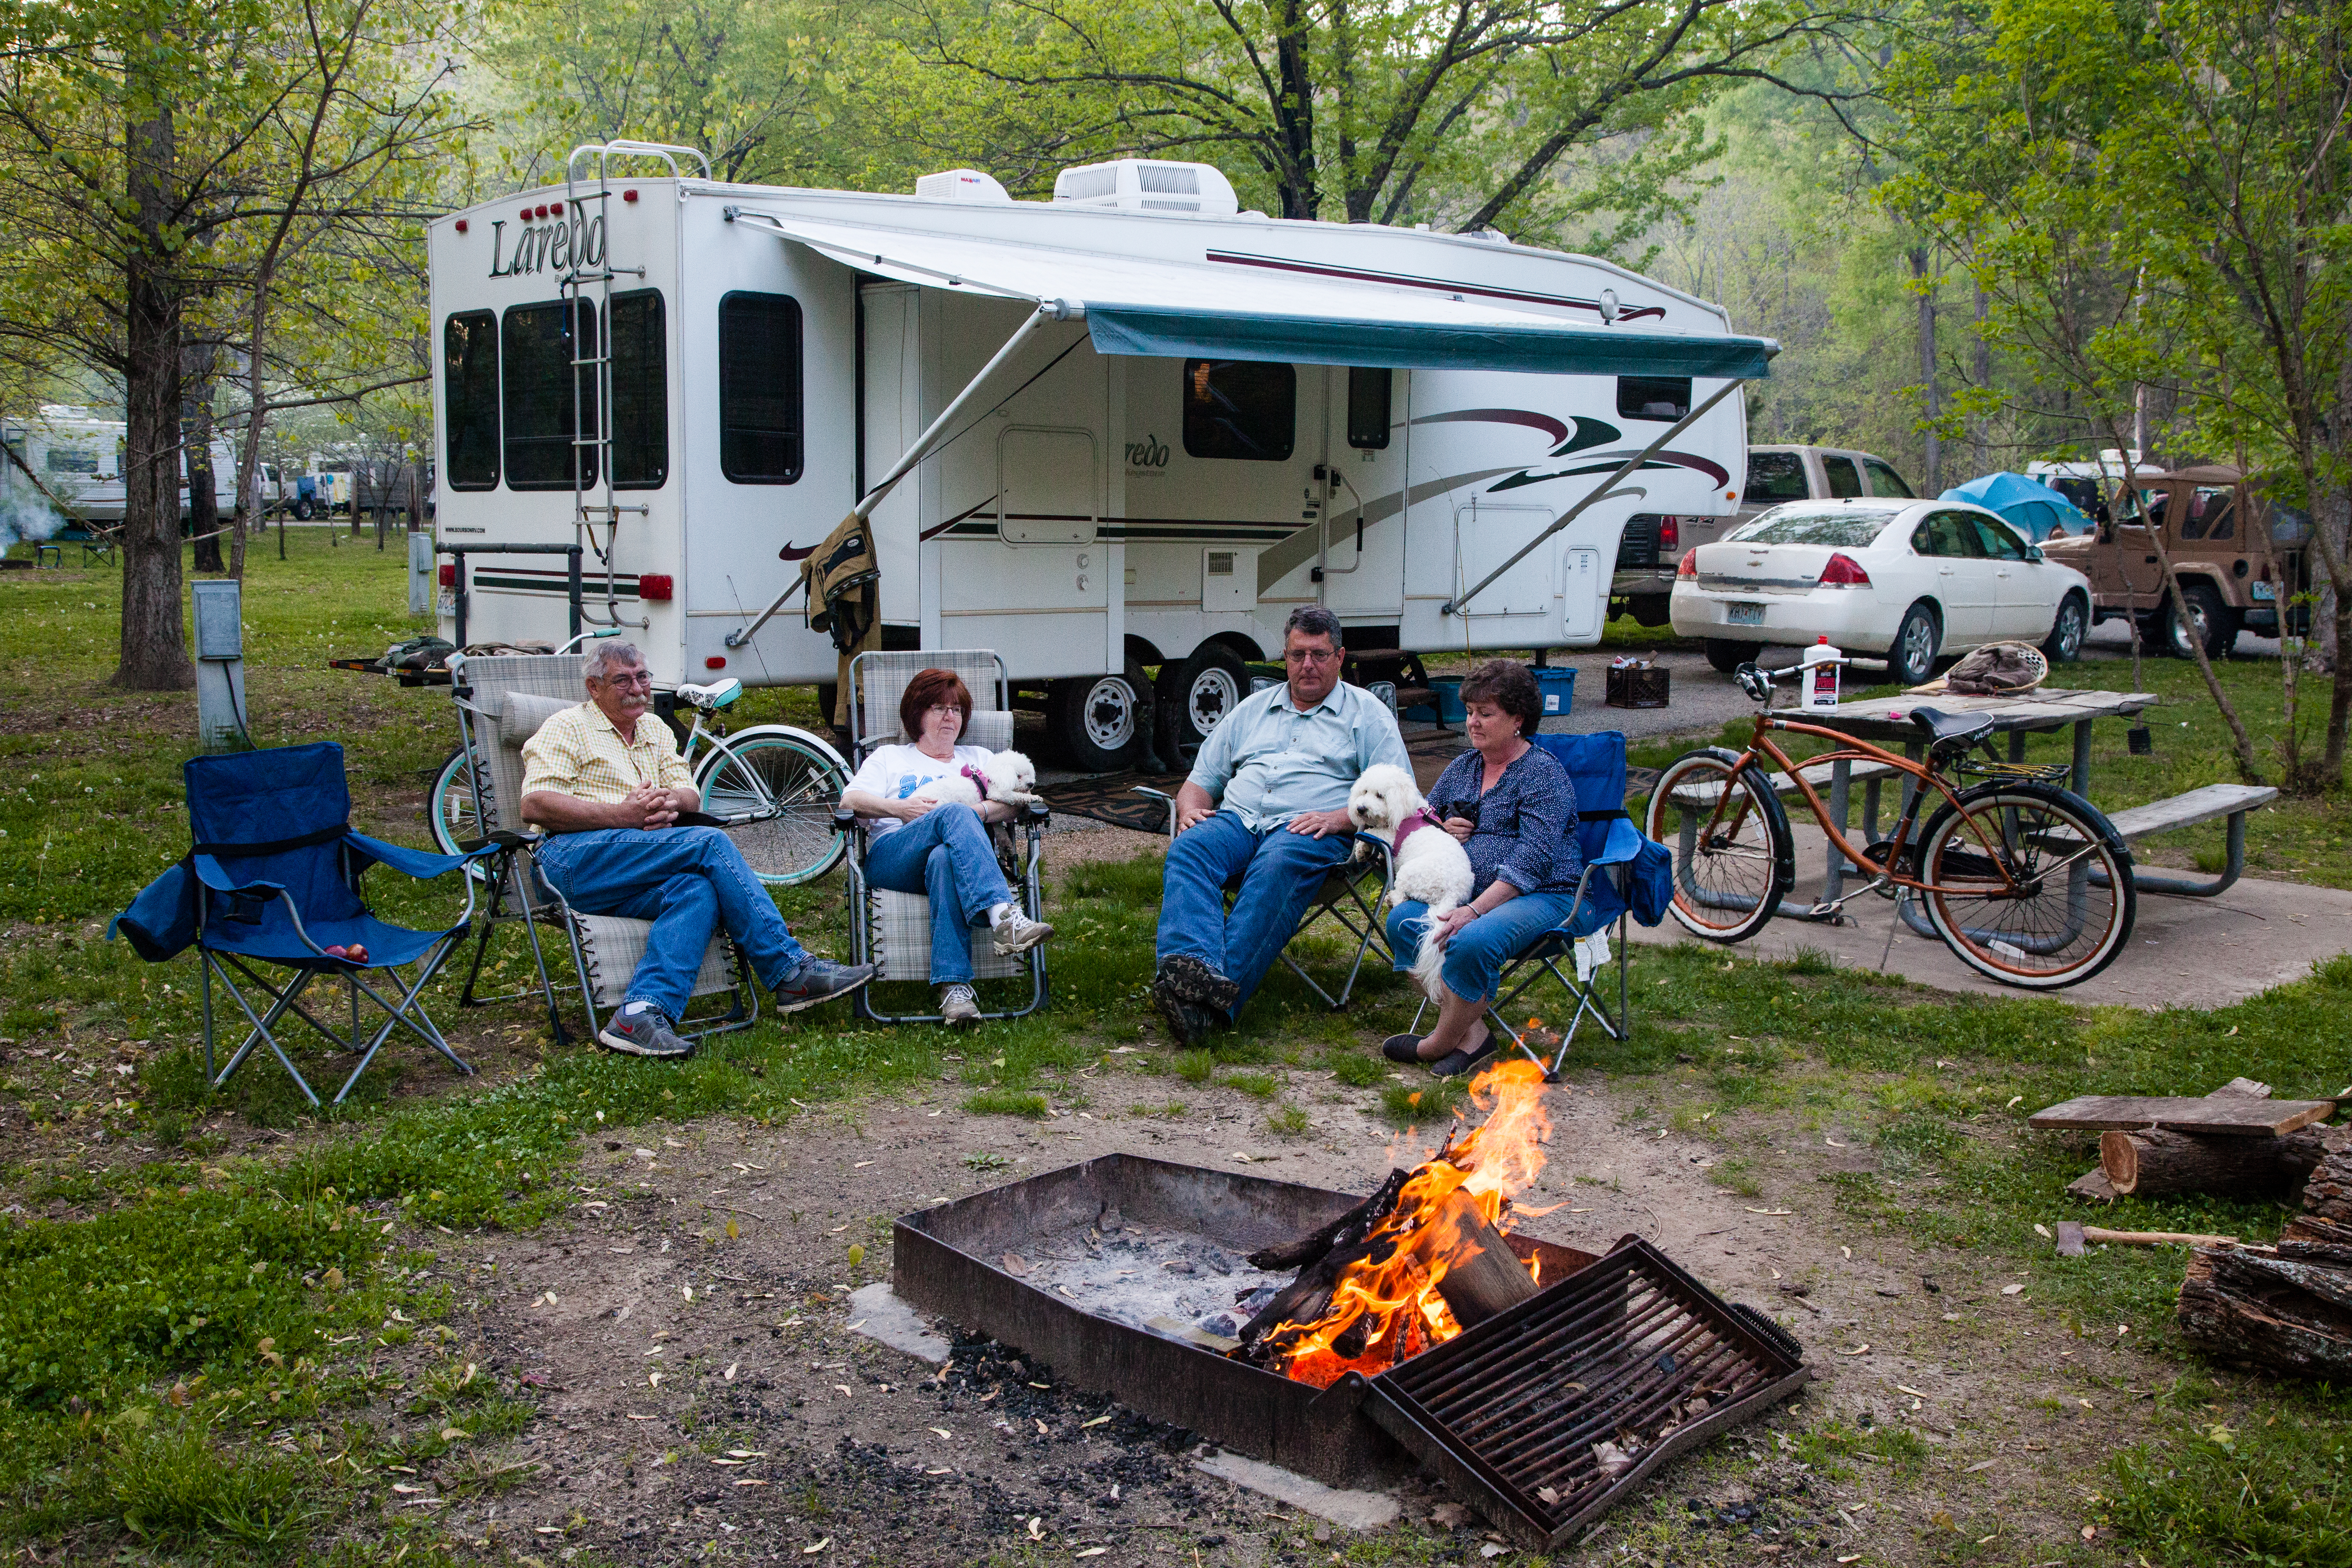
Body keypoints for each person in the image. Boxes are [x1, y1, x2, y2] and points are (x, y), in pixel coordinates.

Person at [520, 641, 874, 1058]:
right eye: (623, 680)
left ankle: (639, 1014)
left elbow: (690, 794)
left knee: (696, 891)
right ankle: (788, 970)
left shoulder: (653, 728)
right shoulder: (567, 727)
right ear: (594, 687)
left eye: (643, 677)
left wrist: (669, 802)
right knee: (708, 842)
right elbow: (536, 803)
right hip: (569, 861)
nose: (638, 687)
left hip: (637, 861)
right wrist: (623, 815)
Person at [1153, 606, 1411, 1046]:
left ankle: (1208, 1005)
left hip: (1311, 830)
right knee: (1191, 848)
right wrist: (1192, 810)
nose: (1307, 665)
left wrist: (1339, 819)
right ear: (1285, 657)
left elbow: (1400, 794)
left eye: (1319, 655)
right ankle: (1191, 974)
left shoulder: (1366, 714)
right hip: (1238, 821)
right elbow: (1199, 783)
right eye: (1297, 655)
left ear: (1341, 657)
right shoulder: (1251, 710)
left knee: (1278, 865)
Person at [1380, 660, 1583, 1077]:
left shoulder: (1543, 775)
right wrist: (1442, 828)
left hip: (1544, 894)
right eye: (1470, 712)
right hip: (1467, 890)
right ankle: (1473, 1038)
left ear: (1517, 719)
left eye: (1485, 714)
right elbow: (1423, 818)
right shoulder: (1464, 767)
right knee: (1403, 921)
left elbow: (1534, 859)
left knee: (1470, 940)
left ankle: (1437, 1043)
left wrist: (1473, 911)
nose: (1473, 722)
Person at [838, 668, 1055, 1024]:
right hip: (895, 855)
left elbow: (1016, 801)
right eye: (939, 708)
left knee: (945, 858)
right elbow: (850, 801)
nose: (949, 717)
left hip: (957, 858)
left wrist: (977, 812)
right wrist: (899, 808)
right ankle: (1005, 917)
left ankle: (955, 991)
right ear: (917, 714)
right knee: (952, 818)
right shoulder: (890, 758)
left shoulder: (981, 758)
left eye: (956, 710)